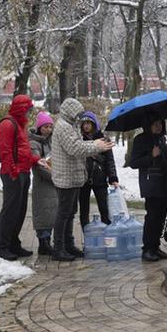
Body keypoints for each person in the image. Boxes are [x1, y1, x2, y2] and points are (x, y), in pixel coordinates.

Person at [47, 98, 113, 261]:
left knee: (70, 212)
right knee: (64, 213)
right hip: (66, 177)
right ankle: (59, 248)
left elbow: (80, 145)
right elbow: (75, 148)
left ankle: (68, 245)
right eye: (77, 113)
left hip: (73, 176)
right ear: (70, 112)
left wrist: (95, 144)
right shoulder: (63, 127)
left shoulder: (70, 126)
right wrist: (96, 145)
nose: (79, 117)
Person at [0, 94, 38, 261]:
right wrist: (13, 170)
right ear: (21, 109)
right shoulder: (8, 124)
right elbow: (5, 151)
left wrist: (34, 160)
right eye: (27, 110)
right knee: (10, 210)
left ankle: (13, 242)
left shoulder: (19, 125)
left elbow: (22, 150)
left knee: (19, 211)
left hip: (23, 171)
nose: (29, 113)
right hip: (13, 173)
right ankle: (2, 246)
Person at [128, 115, 167, 262]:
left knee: (161, 215)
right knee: (152, 216)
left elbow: (165, 157)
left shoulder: (161, 139)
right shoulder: (140, 140)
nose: (158, 126)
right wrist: (151, 156)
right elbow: (134, 162)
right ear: (148, 125)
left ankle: (155, 246)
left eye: (160, 123)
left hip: (164, 181)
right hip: (151, 183)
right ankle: (147, 248)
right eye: (154, 123)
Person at [77, 110, 119, 228]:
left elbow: (110, 161)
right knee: (84, 211)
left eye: (89, 123)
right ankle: (87, 236)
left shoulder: (104, 140)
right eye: (84, 123)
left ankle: (107, 235)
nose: (86, 126)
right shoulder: (79, 141)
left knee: (104, 209)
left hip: (100, 179)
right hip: (83, 180)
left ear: (94, 124)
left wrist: (113, 177)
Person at [29, 111, 58, 257]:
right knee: (43, 212)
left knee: (51, 212)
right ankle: (43, 242)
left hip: (53, 182)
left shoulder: (52, 142)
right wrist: (54, 176)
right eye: (45, 127)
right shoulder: (34, 143)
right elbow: (38, 165)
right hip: (43, 184)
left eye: (50, 127)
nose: (48, 129)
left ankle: (47, 240)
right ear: (39, 127)